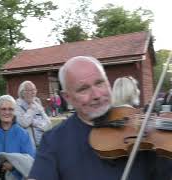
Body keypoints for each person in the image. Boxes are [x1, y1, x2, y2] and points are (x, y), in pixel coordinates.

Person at [28, 56, 172, 180]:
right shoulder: (54, 141)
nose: (96, 95)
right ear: (67, 97)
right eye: (83, 89)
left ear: (108, 82)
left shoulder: (145, 132)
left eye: (100, 83)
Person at [15, 81, 51, 147]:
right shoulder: (17, 106)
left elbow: (48, 124)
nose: (33, 92)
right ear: (22, 93)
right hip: (26, 146)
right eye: (30, 90)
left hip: (42, 144)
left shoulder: (37, 105)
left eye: (34, 90)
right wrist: (31, 109)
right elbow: (24, 123)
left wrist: (34, 123)